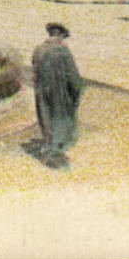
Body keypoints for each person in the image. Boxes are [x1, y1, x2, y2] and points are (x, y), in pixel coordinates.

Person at [31, 22, 85, 166]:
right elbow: (73, 77)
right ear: (60, 35)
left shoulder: (39, 49)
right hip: (60, 92)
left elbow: (34, 70)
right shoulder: (64, 52)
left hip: (42, 90)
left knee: (46, 115)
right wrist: (77, 93)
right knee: (60, 118)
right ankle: (55, 152)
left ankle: (49, 146)